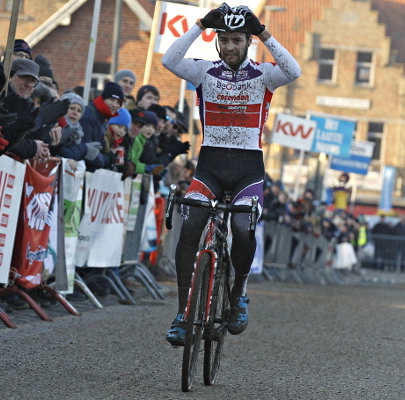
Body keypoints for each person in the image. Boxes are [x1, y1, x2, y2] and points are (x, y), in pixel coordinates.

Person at [161, 3, 300, 345]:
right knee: (191, 222)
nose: (231, 47)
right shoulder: (204, 71)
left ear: (247, 42)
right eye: (225, 40)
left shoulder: (264, 75)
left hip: (247, 171)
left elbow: (293, 70)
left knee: (241, 226)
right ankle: (182, 313)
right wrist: (198, 25)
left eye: (238, 40)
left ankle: (238, 293)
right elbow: (169, 61)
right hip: (209, 166)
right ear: (218, 42)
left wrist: (263, 31)